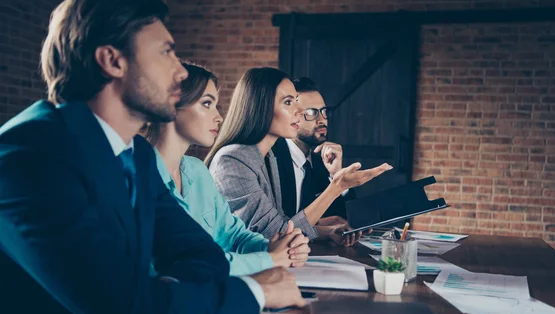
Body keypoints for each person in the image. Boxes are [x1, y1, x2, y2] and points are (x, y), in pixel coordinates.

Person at [0, 0, 304, 314]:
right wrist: (258, 290)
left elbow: (199, 257)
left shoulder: (135, 154)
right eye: (166, 52)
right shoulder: (29, 155)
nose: (180, 70)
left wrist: (163, 291)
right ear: (112, 61)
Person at [143, 61, 310, 276]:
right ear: (170, 106)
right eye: (206, 103)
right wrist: (270, 258)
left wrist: (275, 248)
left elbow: (233, 235)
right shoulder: (140, 174)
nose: (219, 116)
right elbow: (188, 263)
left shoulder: (197, 171)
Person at [206, 67, 392, 246]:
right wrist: (337, 186)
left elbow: (282, 223)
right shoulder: (232, 161)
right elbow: (275, 235)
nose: (299, 111)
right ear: (261, 107)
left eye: (296, 101)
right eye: (288, 102)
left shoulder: (267, 157)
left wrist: (324, 232)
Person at [271, 77, 355, 220]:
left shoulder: (324, 161)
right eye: (311, 113)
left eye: (323, 111)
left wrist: (337, 176)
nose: (322, 120)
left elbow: (348, 219)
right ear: (292, 116)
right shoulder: (270, 156)